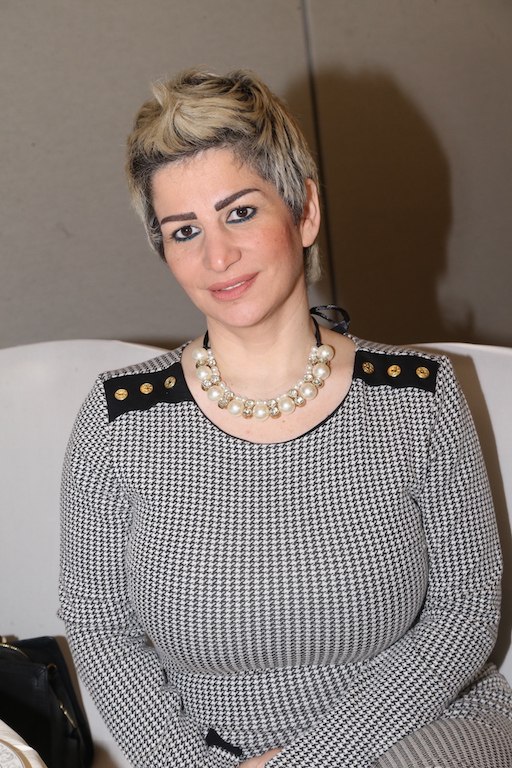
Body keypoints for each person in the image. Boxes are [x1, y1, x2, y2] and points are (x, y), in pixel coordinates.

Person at [59, 69, 512, 768]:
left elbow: (466, 607)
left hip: (419, 730)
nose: (217, 256)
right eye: (185, 230)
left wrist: (315, 759)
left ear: (304, 212)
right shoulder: (119, 418)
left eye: (240, 212)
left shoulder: (418, 396)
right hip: (208, 750)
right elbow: (99, 627)